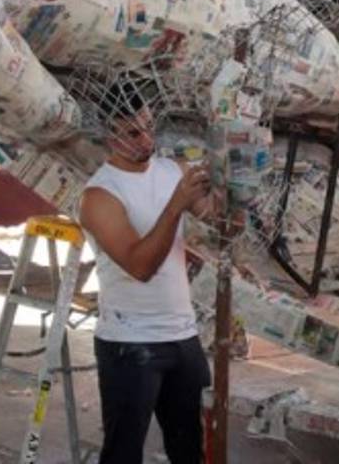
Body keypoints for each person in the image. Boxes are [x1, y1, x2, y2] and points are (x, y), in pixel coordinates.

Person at [78, 87, 216, 464]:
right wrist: (176, 205)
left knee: (191, 450)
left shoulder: (173, 170)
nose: (148, 141)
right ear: (109, 137)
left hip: (183, 335)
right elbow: (140, 266)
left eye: (150, 128)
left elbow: (221, 223)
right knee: (123, 453)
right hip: (130, 341)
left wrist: (238, 188)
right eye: (133, 133)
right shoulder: (100, 195)